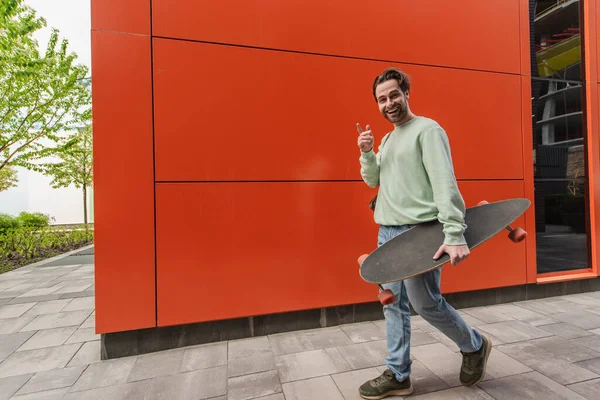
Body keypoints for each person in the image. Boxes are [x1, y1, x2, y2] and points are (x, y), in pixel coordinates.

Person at [356, 68, 492, 399]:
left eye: (394, 95)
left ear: (406, 94)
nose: (389, 103)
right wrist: (367, 153)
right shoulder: (387, 138)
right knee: (394, 306)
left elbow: (445, 184)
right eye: (382, 99)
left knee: (425, 302)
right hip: (387, 232)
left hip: (419, 234)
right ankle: (398, 373)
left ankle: (474, 345)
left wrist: (454, 232)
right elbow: (375, 182)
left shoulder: (428, 130)